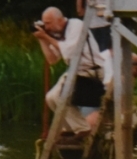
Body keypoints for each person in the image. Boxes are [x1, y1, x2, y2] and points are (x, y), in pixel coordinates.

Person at [34, 6, 107, 138]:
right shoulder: (58, 34)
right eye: (44, 24)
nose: (47, 27)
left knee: (60, 97)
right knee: (51, 98)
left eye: (48, 23)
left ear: (59, 20)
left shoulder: (76, 26)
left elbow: (70, 51)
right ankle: (69, 129)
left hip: (92, 71)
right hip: (76, 72)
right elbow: (52, 59)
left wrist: (46, 36)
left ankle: (83, 129)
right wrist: (42, 39)